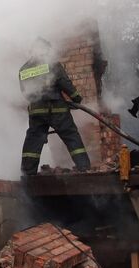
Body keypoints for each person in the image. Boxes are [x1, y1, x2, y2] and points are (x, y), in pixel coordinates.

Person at [18, 38, 90, 175]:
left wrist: (37, 100)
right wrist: (76, 98)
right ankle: (83, 166)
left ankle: (28, 172)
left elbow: (25, 93)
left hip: (36, 112)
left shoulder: (24, 69)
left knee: (33, 140)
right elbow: (64, 82)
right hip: (57, 109)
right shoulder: (52, 65)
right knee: (70, 135)